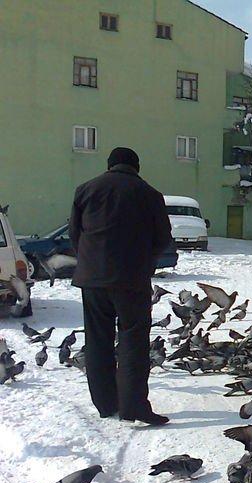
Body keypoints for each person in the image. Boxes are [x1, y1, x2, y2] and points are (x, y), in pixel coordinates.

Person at [69, 147, 172, 425]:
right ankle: (133, 406)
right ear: (136, 167)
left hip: (93, 281)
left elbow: (74, 233)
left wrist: (90, 262)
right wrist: (146, 261)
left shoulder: (85, 190)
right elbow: (163, 238)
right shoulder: (149, 194)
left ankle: (105, 403)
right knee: (133, 341)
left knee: (97, 340)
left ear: (109, 165)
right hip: (131, 280)